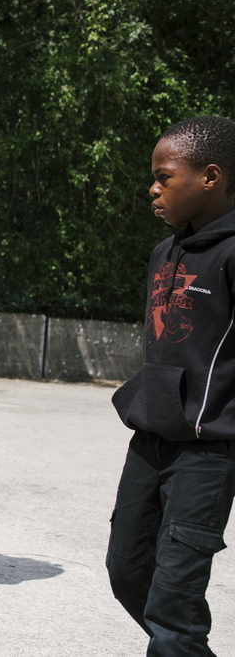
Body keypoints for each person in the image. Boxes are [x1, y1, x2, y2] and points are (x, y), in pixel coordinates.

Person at [108, 115, 235, 656]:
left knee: (173, 606)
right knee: (127, 570)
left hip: (208, 454)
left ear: (211, 177)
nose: (152, 188)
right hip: (150, 442)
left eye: (164, 176)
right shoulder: (165, 253)